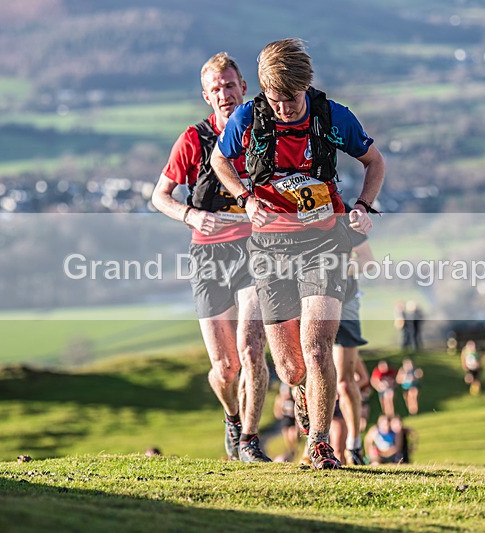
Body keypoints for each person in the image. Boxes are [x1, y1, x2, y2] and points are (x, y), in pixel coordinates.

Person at [212, 38, 385, 470]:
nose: (284, 108)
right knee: (290, 369)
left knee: (317, 344)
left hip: (323, 242)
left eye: (291, 99)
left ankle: (321, 444)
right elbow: (220, 161)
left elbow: (375, 162)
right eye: (275, 100)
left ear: (305, 86)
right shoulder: (250, 118)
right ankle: (305, 399)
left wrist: (362, 207)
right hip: (269, 247)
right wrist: (245, 198)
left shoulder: (332, 117)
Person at [151, 52, 270, 462]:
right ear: (206, 96)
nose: (224, 94)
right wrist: (191, 214)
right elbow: (159, 196)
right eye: (215, 89)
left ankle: (251, 441)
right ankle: (233, 418)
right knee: (226, 366)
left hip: (256, 250)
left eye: (230, 86)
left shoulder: (262, 133)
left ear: (244, 89)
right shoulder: (194, 139)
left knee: (253, 348)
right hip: (208, 256)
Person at [332, 210, 375, 465]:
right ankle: (315, 442)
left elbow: (368, 261)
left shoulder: (347, 214)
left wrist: (336, 268)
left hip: (345, 300)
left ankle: (354, 446)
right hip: (304, 301)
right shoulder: (293, 204)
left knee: (345, 383)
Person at [272, 381, 299, 462]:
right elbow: (277, 407)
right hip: (285, 418)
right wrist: (278, 413)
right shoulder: (280, 398)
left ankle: (294, 448)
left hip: (293, 417)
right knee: (286, 435)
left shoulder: (293, 398)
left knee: (292, 434)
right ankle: (291, 449)